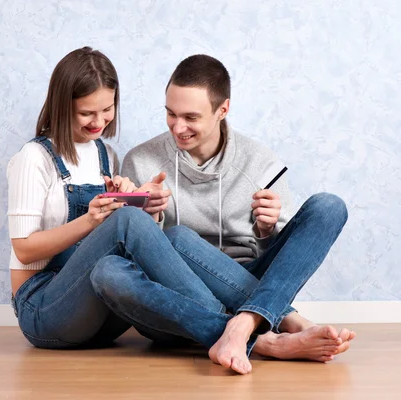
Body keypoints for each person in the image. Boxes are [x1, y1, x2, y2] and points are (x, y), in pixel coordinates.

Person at [7, 47, 268, 352]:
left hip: (102, 315)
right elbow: (24, 250)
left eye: (107, 109)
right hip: (44, 308)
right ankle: (253, 330)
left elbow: (114, 249)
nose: (99, 121)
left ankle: (246, 322)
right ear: (62, 106)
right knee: (127, 222)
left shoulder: (106, 156)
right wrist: (93, 219)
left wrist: (146, 206)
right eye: (87, 113)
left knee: (172, 235)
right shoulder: (34, 158)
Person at [106, 54, 353, 373]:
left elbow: (284, 261)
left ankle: (245, 324)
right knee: (124, 265)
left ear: (223, 109)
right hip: (178, 294)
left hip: (247, 275)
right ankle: (272, 333)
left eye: (191, 117)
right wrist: (151, 218)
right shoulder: (140, 161)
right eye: (170, 114)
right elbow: (139, 250)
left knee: (329, 206)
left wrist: (267, 231)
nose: (178, 127)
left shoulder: (260, 163)